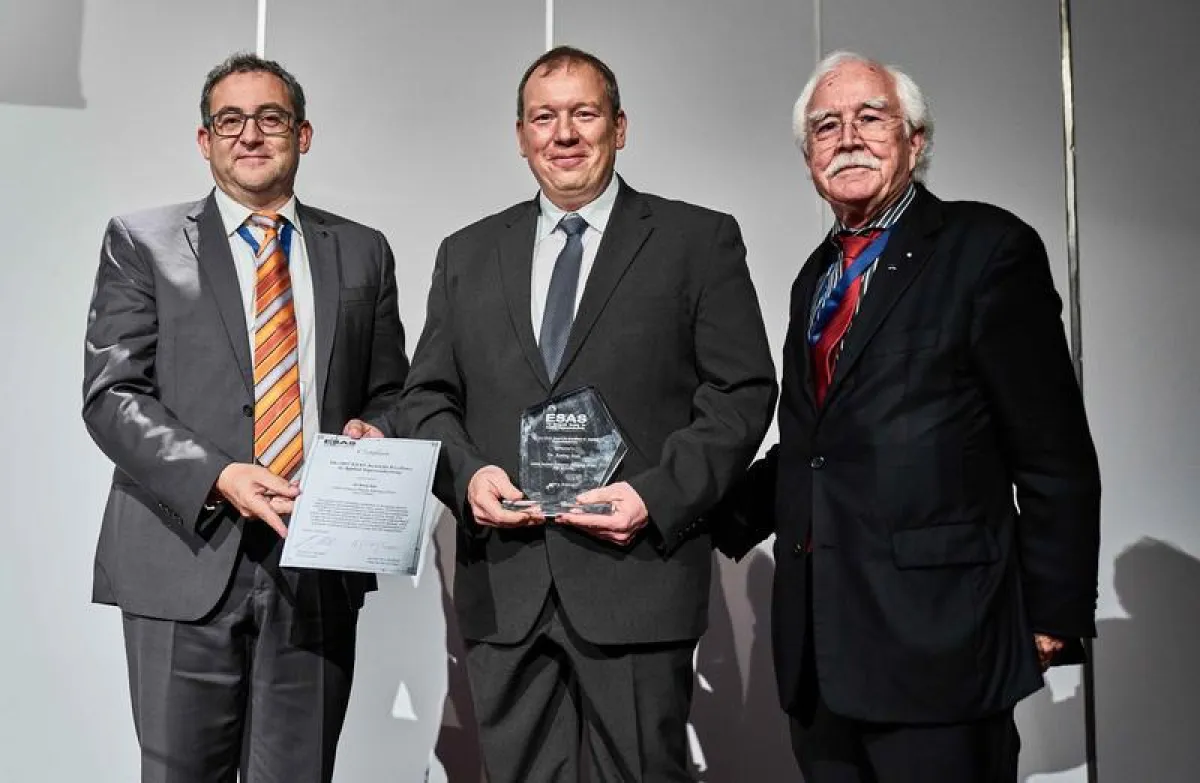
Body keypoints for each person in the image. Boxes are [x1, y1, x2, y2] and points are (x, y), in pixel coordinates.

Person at [384, 46, 777, 781]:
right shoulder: (465, 253)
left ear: (620, 127)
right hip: (507, 590)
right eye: (544, 116)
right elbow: (425, 398)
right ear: (521, 134)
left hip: (636, 584)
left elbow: (742, 392)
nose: (563, 133)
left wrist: (655, 497)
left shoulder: (697, 241)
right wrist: (467, 478)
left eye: (584, 113)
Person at [713, 51, 1102, 782]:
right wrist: (687, 509)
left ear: (915, 140)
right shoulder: (815, 278)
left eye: (870, 117)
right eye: (826, 126)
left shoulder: (987, 249)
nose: (847, 137)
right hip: (822, 659)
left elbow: (1053, 452)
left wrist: (1055, 612)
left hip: (941, 645)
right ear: (808, 160)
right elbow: (811, 449)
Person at [82, 52, 409, 782]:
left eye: (271, 118)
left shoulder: (361, 251)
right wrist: (220, 474)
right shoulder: (143, 242)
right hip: (182, 556)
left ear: (303, 134)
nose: (250, 135)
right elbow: (112, 394)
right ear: (205, 140)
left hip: (315, 562)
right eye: (230, 120)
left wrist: (379, 430)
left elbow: (393, 391)